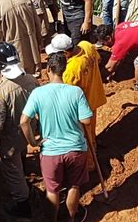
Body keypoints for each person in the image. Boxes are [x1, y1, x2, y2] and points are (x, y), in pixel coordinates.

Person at [20, 52, 92, 222]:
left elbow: (24, 121)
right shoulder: (76, 92)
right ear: (64, 69)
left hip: (51, 151)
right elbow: (86, 120)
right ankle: (70, 221)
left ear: (48, 69)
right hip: (76, 148)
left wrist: (33, 142)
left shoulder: (38, 93)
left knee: (53, 190)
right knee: (74, 186)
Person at [0, 42, 39, 218]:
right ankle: (25, 174)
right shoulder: (31, 80)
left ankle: (22, 205)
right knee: (21, 154)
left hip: (11, 136)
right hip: (29, 130)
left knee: (11, 165)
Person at [45, 34, 106, 171]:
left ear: (65, 52)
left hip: (81, 110)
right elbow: (99, 59)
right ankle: (93, 146)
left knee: (83, 137)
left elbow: (66, 94)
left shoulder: (71, 70)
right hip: (94, 97)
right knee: (90, 132)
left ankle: (89, 164)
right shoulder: (86, 45)